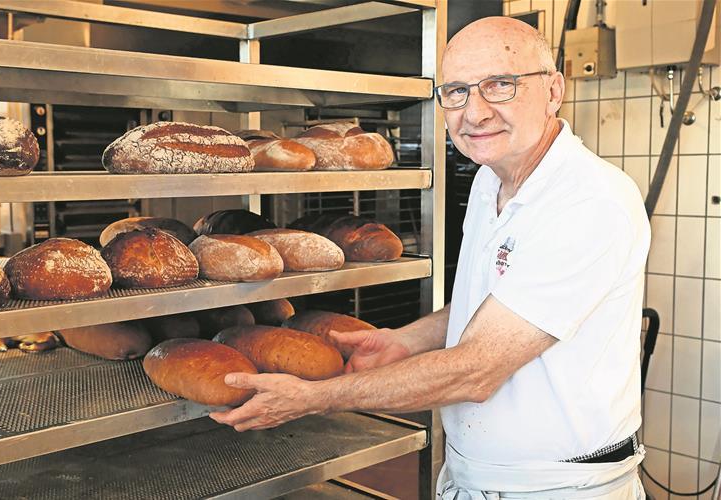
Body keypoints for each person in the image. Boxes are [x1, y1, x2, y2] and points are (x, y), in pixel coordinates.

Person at [210, 16, 651, 499]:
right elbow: (493, 301)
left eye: (500, 86)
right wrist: (406, 339)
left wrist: (315, 398)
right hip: (477, 476)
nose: (474, 112)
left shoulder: (589, 201)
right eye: (456, 91)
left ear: (553, 90)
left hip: (558, 487)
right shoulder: (490, 180)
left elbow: (477, 368)